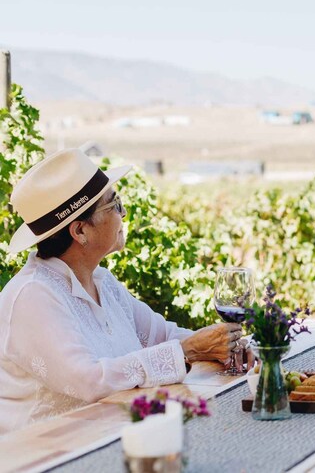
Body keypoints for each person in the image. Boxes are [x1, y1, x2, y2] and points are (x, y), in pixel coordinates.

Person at [0, 149, 241, 435]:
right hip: (48, 456)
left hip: (108, 438)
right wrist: (188, 350)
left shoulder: (102, 281)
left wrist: (224, 345)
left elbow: (161, 335)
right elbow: (88, 380)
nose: (124, 213)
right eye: (114, 204)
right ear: (79, 231)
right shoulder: (33, 296)